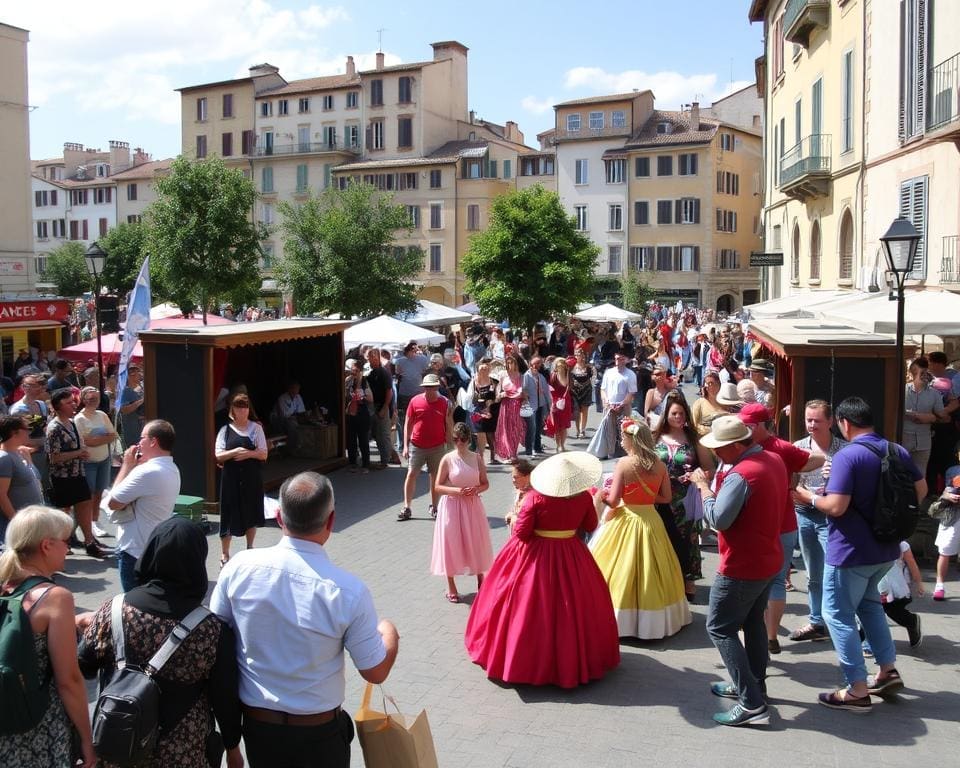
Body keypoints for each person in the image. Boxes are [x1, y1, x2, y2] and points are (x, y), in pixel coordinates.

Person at [211, 472, 399, 768]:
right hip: (319, 734)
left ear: (278, 517)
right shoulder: (348, 591)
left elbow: (216, 638)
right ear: (331, 521)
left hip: (258, 730)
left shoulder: (237, 569)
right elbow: (375, 672)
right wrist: (391, 635)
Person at [77, 517, 243, 768]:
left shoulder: (114, 609)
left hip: (120, 745)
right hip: (182, 752)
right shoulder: (211, 630)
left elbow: (83, 666)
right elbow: (225, 699)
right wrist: (233, 748)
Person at [794, 397, 925, 711]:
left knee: (836, 615)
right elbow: (919, 491)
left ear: (843, 422)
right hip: (885, 549)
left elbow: (835, 506)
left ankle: (856, 688)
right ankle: (887, 671)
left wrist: (806, 496)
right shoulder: (897, 450)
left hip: (850, 550)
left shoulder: (847, 456)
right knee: (869, 607)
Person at [464, 452, 620, 688]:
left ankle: (524, 661)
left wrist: (517, 518)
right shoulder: (583, 499)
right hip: (572, 554)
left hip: (536, 558)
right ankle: (573, 661)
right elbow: (590, 526)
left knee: (525, 607)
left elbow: (522, 533)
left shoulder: (536, 499)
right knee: (575, 608)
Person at [689, 416, 785, 727]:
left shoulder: (740, 475)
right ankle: (754, 685)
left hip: (743, 565)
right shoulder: (773, 460)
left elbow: (718, 519)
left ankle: (751, 701)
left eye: (719, 449)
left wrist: (703, 488)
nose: (716, 454)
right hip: (769, 559)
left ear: (733, 446)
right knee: (751, 620)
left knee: (719, 627)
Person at [0, 506, 96, 767]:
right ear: (46, 545)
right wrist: (87, 739)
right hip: (35, 722)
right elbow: (70, 681)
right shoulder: (55, 598)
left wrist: (71, 623)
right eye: (66, 541)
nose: (68, 549)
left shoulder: (5, 582)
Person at [591, 419, 691, 638]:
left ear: (632, 439)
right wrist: (645, 497)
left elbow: (615, 501)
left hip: (626, 519)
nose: (621, 440)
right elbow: (665, 498)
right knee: (654, 569)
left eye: (623, 437)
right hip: (651, 519)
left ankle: (620, 619)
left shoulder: (624, 464)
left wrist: (599, 495)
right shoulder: (659, 464)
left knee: (618, 568)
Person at [736, 403, 823, 654]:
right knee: (767, 580)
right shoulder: (769, 446)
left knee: (769, 580)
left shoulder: (779, 447)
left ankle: (768, 636)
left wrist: (794, 471)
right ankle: (765, 637)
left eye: (749, 425)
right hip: (773, 523)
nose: (745, 429)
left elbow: (816, 459)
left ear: (763, 426)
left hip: (777, 525)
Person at [789, 400, 848, 643]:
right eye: (808, 420)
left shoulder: (844, 450)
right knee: (813, 574)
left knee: (837, 574)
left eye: (817, 420)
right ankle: (816, 621)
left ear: (831, 421)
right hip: (804, 513)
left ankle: (846, 624)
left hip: (831, 517)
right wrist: (799, 494)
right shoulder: (798, 448)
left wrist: (833, 483)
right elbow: (791, 483)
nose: (812, 425)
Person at [653, 392, 716, 601]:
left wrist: (696, 476)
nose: (679, 417)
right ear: (666, 415)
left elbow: (709, 470)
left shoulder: (694, 438)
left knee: (688, 540)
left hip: (685, 498)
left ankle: (688, 582)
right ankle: (666, 581)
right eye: (674, 413)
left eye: (682, 413)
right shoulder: (655, 437)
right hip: (660, 498)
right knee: (662, 539)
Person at [108, 419, 182, 591]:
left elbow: (113, 502)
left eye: (142, 438)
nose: (138, 443)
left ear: (153, 441)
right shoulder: (171, 467)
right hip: (153, 547)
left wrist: (126, 465)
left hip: (135, 551)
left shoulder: (147, 471)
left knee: (133, 608)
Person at [430, 422, 493, 603]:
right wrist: (457, 491)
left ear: (468, 440)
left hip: (472, 505)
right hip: (451, 506)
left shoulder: (477, 458)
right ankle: (451, 585)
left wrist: (476, 490)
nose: (460, 443)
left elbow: (485, 483)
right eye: (456, 439)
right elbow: (437, 486)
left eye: (463, 439)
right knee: (451, 543)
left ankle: (480, 578)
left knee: (475, 541)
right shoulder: (448, 459)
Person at [45, 390, 110, 559]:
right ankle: (62, 544)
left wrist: (81, 453)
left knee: (84, 504)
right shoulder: (54, 427)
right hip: (62, 476)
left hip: (77, 472)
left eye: (73, 401)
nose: (73, 404)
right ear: (58, 407)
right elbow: (54, 457)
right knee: (64, 511)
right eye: (68, 402)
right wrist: (78, 453)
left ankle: (90, 542)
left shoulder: (72, 423)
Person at [215, 393, 267, 566]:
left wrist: (249, 454)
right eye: (239, 407)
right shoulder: (225, 430)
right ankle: (225, 554)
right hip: (231, 479)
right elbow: (219, 455)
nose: (242, 410)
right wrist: (235, 452)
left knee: (251, 511)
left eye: (245, 407)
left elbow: (263, 453)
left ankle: (250, 547)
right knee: (228, 513)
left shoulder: (256, 428)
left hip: (251, 478)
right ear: (233, 410)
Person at [398, 374, 454, 521]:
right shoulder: (415, 401)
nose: (430, 390)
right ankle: (407, 507)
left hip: (437, 446)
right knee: (411, 474)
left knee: (435, 477)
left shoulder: (444, 403)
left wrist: (451, 447)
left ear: (437, 387)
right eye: (427, 387)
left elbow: (449, 424)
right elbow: (408, 424)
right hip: (417, 445)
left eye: (432, 387)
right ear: (423, 388)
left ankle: (434, 507)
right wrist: (405, 445)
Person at [74, 386, 117, 540]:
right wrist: (103, 438)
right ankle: (88, 524)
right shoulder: (79, 419)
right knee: (89, 494)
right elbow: (86, 442)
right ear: (84, 400)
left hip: (104, 460)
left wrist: (97, 440)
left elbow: (113, 435)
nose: (94, 402)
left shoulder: (102, 415)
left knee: (99, 492)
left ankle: (95, 521)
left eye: (96, 399)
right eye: (91, 399)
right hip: (89, 462)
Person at [0, 416, 43, 541]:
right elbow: (1, 495)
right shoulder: (5, 458)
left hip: (30, 521)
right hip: (17, 525)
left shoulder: (19, 453)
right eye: (27, 428)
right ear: (14, 432)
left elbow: (35, 479)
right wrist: (15, 520)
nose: (29, 431)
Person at [589, 352, 638, 460]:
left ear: (626, 360)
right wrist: (606, 402)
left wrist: (622, 404)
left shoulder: (630, 374)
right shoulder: (609, 373)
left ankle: (626, 452)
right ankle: (610, 452)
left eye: (621, 359)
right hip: (609, 406)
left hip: (623, 406)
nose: (618, 361)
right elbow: (603, 389)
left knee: (625, 430)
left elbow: (631, 393)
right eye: (616, 359)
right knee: (609, 431)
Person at [902, 356, 944, 477]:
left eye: (927, 372)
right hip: (904, 439)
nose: (926, 375)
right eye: (922, 372)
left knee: (920, 475)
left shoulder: (935, 394)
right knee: (902, 473)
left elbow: (942, 416)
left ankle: (919, 496)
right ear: (912, 373)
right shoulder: (901, 391)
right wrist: (913, 414)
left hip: (924, 441)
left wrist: (932, 418)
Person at [10, 374, 50, 497]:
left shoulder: (41, 404)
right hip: (30, 453)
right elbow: (20, 436)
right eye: (35, 385)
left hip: (44, 451)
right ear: (24, 387)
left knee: (44, 484)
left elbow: (44, 427)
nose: (39, 388)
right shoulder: (18, 409)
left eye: (40, 385)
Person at [493, 356, 526, 462]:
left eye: (512, 362)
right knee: (506, 429)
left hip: (516, 405)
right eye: (508, 362)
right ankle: (509, 453)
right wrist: (500, 395)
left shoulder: (521, 376)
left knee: (515, 429)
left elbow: (524, 393)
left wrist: (517, 395)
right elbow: (498, 391)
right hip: (505, 405)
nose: (509, 364)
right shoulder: (503, 375)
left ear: (516, 363)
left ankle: (513, 452)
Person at [365, 348, 393, 469]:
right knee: (375, 434)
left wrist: (385, 408)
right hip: (372, 406)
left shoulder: (383, 372)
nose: (372, 359)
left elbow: (389, 392)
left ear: (378, 357)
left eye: (374, 357)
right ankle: (386, 458)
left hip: (381, 406)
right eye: (370, 357)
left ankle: (384, 461)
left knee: (383, 435)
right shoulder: (371, 373)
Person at [468, 359, 500, 466]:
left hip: (492, 411)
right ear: (478, 370)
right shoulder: (473, 382)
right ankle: (480, 458)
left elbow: (498, 397)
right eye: (482, 368)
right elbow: (470, 398)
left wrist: (491, 404)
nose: (484, 370)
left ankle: (492, 457)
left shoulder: (494, 381)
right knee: (480, 434)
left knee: (491, 434)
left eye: (486, 368)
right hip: (478, 411)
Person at [344, 358, 373, 472]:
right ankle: (352, 463)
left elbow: (371, 398)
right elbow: (345, 394)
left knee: (363, 440)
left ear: (360, 371)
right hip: (351, 412)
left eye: (355, 370)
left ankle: (366, 464)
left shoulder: (365, 381)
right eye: (352, 370)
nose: (353, 372)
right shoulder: (348, 380)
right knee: (351, 439)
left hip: (362, 413)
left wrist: (362, 397)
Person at [521, 357, 551, 458]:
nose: (536, 366)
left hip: (540, 404)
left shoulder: (541, 376)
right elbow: (524, 390)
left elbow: (546, 391)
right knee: (531, 428)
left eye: (538, 364)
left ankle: (537, 447)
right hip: (530, 405)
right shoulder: (526, 376)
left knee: (538, 427)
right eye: (534, 363)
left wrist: (549, 404)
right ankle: (530, 449)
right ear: (530, 364)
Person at [271, 379, 306, 454]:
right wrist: (294, 417)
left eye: (297, 389)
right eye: (293, 388)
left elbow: (301, 412)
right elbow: (284, 415)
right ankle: (291, 448)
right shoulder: (282, 398)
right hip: (278, 420)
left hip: (293, 419)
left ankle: (300, 446)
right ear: (289, 389)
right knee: (292, 425)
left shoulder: (298, 397)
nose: (295, 390)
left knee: (300, 424)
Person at [118, 364, 146, 450]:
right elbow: (124, 410)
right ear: (131, 376)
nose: (140, 375)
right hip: (132, 430)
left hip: (142, 429)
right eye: (137, 373)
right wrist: (141, 401)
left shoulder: (141, 389)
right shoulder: (126, 391)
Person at [570, 347, 595, 440]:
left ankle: (582, 430)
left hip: (586, 390)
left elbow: (593, 378)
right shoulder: (572, 367)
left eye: (580, 354)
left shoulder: (589, 367)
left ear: (583, 355)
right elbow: (570, 378)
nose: (578, 356)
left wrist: (589, 386)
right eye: (576, 354)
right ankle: (577, 430)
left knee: (584, 411)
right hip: (575, 391)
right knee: (577, 411)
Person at [549, 357, 573, 452]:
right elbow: (549, 389)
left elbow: (570, 387)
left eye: (562, 365)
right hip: (555, 402)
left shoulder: (568, 375)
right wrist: (552, 402)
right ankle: (558, 445)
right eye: (558, 365)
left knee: (563, 426)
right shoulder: (553, 376)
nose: (560, 367)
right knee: (557, 426)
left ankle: (562, 445)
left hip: (565, 403)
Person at [691, 371, 727, 436]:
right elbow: (694, 424)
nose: (707, 387)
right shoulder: (699, 403)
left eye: (711, 383)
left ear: (719, 384)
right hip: (706, 438)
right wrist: (711, 430)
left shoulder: (726, 402)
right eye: (706, 384)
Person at [504, 458, 534, 530]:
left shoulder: (532, 496)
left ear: (527, 477)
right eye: (512, 477)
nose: (513, 481)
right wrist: (511, 514)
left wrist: (513, 517)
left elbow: (528, 520)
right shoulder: (520, 490)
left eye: (516, 477)